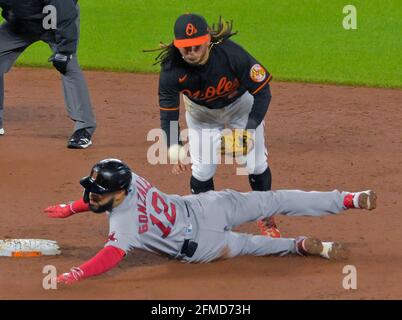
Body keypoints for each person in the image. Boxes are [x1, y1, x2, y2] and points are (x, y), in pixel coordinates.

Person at [44, 159, 377, 285]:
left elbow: (109, 258)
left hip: (202, 246)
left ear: (118, 193)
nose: (92, 198)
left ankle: (298, 246)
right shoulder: (133, 178)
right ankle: (348, 198)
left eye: (98, 193)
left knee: (250, 245)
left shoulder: (124, 225)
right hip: (209, 206)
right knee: (274, 199)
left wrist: (77, 273)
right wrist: (73, 208)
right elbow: (98, 202)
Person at [153, 13, 279, 237]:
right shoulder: (171, 69)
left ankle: (265, 215)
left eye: (196, 47)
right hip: (202, 115)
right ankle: (208, 222)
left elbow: (263, 93)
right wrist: (174, 147)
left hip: (241, 107)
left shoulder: (231, 55)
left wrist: (247, 131)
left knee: (256, 164)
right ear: (177, 45)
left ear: (208, 40)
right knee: (202, 171)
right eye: (185, 48)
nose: (191, 53)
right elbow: (169, 113)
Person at [0, 0, 95, 148]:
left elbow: (65, 14)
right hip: (21, 23)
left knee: (67, 65)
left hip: (54, 22)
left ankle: (84, 129)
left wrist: (65, 51)